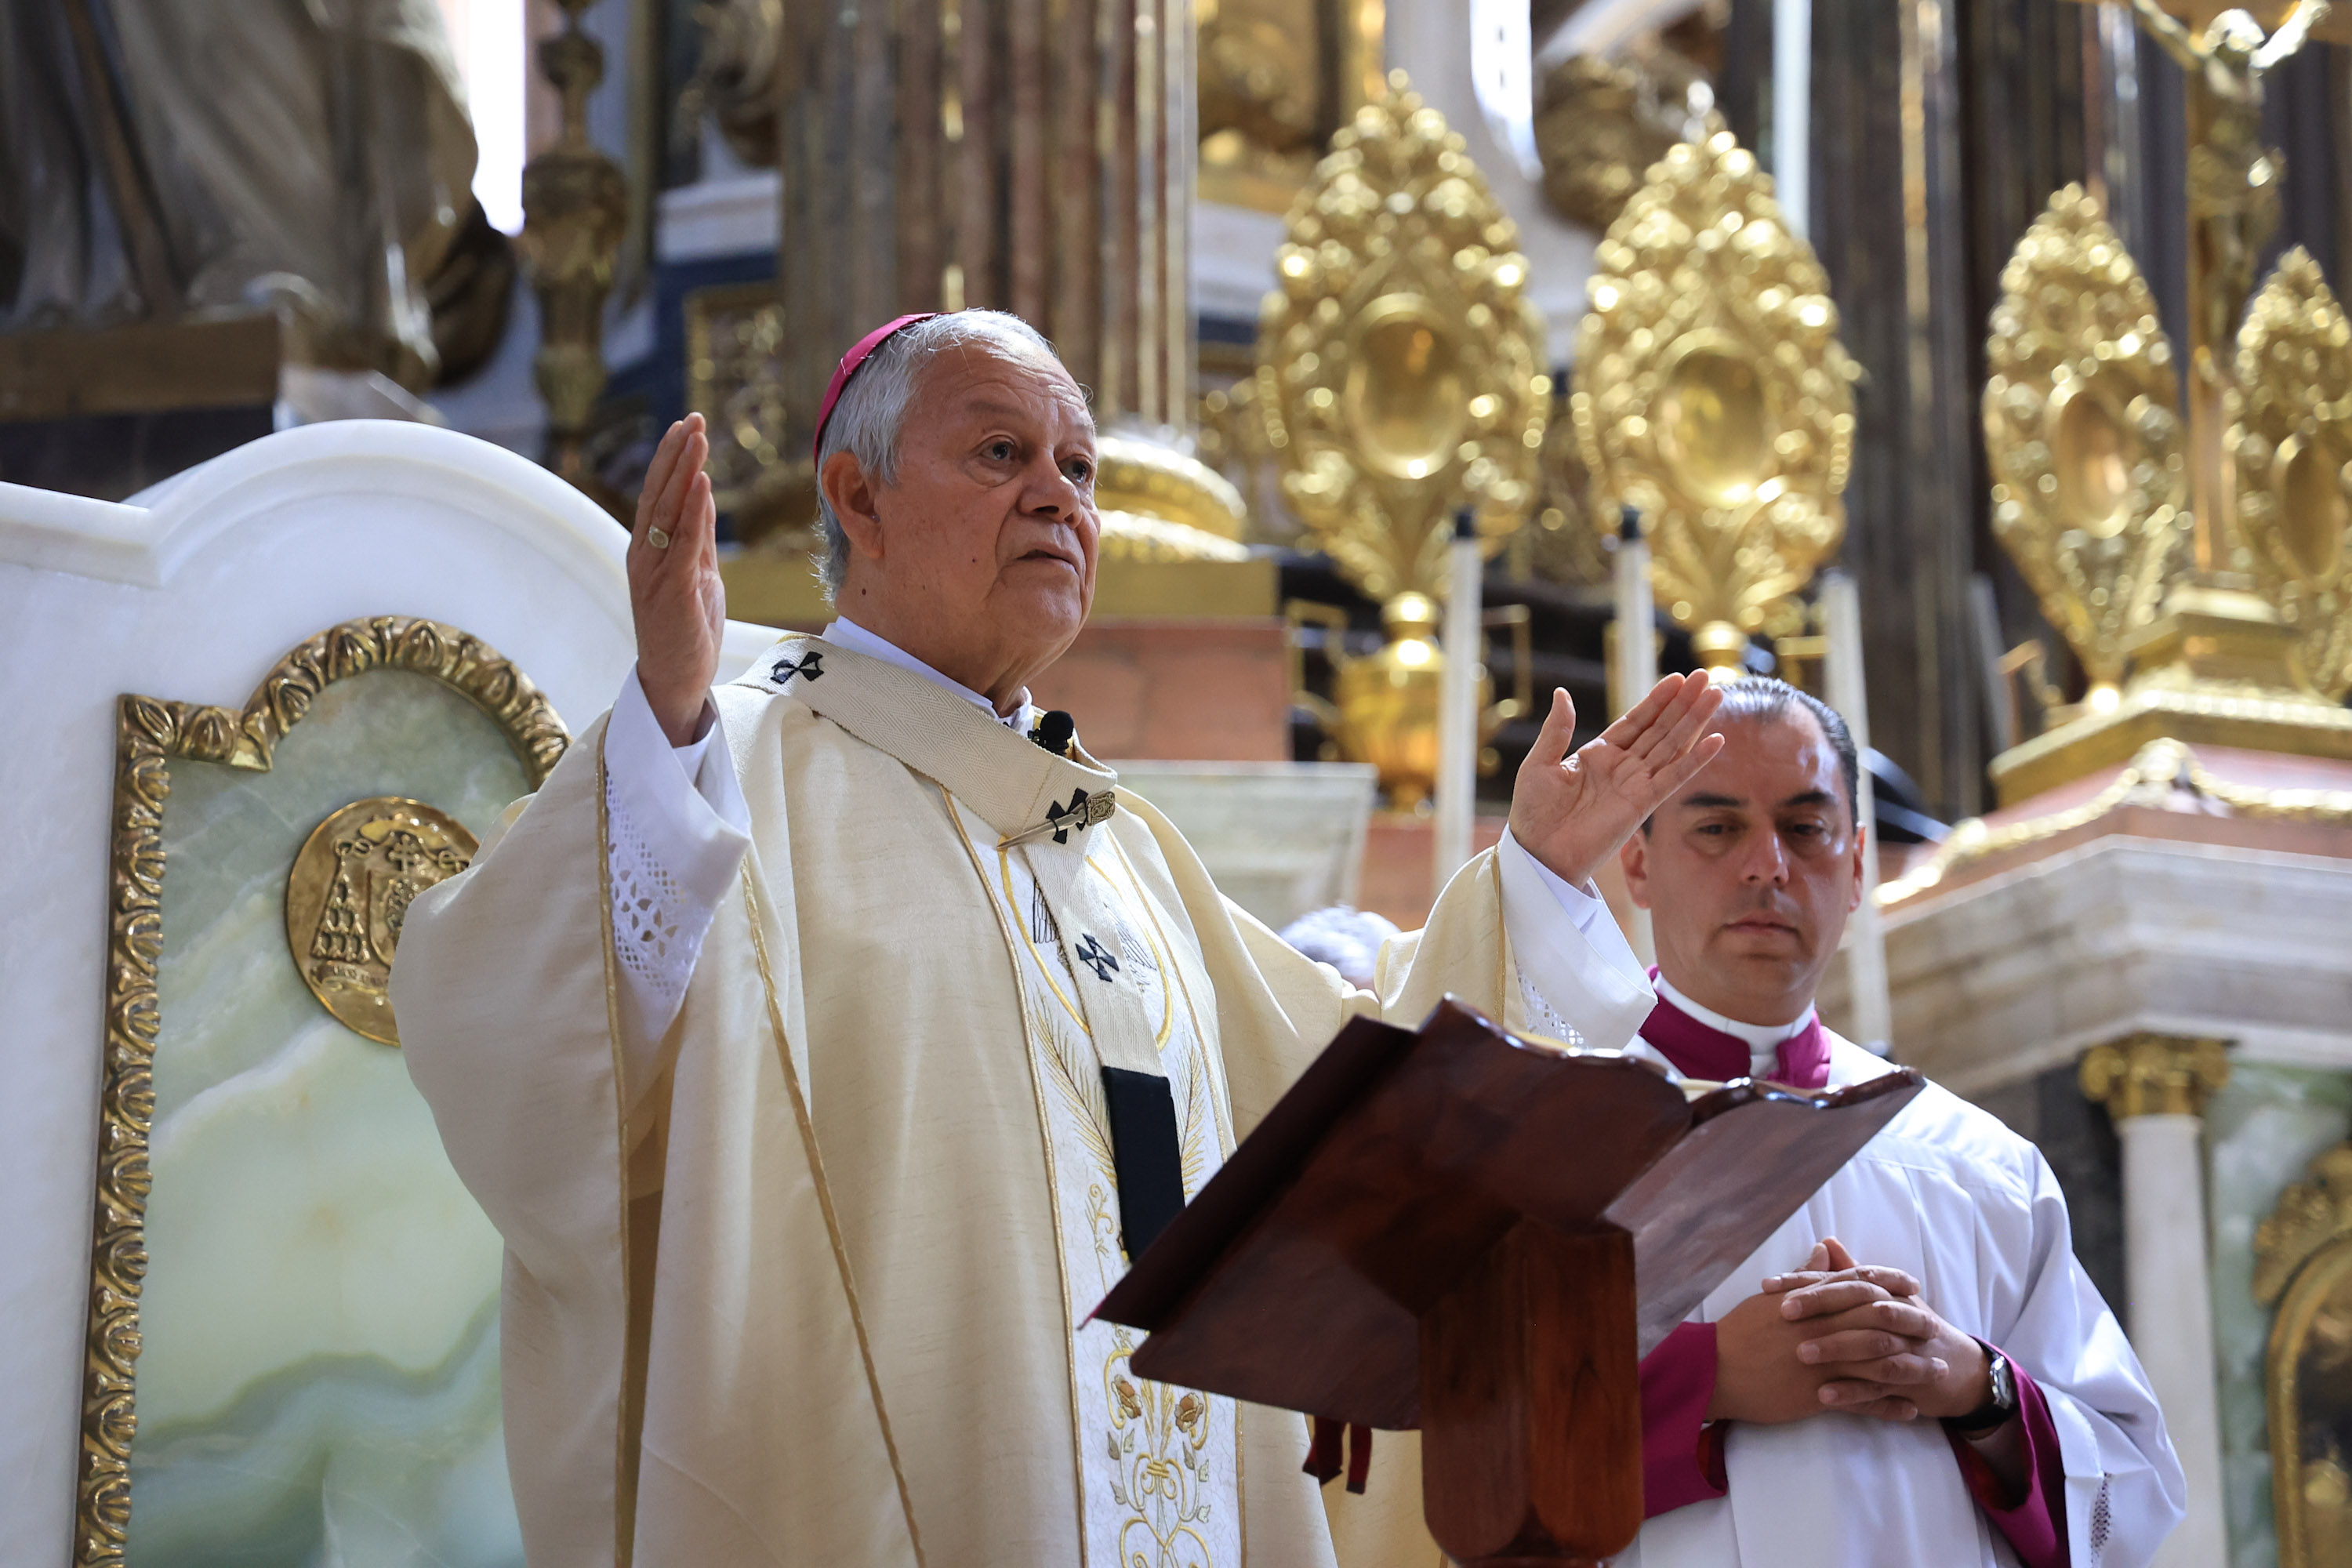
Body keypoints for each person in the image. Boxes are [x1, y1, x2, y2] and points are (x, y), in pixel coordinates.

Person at [390, 308, 1730, 1567]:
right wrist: (666, 728)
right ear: (857, 500)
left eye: (1081, 469)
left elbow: (1343, 1104)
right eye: (999, 454)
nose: (1060, 497)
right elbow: (521, 1047)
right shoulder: (724, 769)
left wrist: (1538, 873)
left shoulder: (1121, 849)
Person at [1509, 677, 2186, 1567]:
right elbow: (1444, 1445)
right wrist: (1710, 1374)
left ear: (1857, 862)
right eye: (1717, 828)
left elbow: (2134, 1492)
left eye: (1805, 827)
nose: (1767, 866)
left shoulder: (1978, 1163)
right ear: (1636, 863)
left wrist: (1973, 1385)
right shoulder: (1544, 1135)